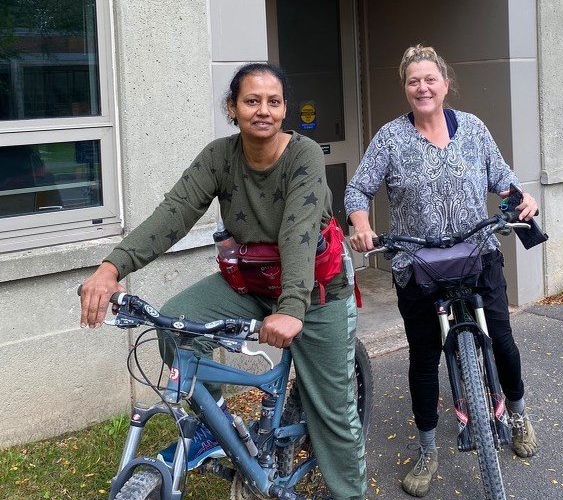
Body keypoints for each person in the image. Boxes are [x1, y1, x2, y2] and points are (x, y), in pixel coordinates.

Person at [79, 62, 366, 500]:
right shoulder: (220, 156)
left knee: (334, 416)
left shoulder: (303, 154)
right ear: (232, 108)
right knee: (174, 323)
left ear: (285, 109)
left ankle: (350, 494)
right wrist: (112, 267)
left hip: (315, 292)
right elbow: (173, 213)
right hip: (250, 286)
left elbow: (299, 232)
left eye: (273, 101)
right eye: (251, 101)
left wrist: (292, 307)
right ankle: (216, 428)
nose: (263, 111)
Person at [345, 44, 538, 497]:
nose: (422, 87)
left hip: (477, 253)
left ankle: (519, 414)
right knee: (423, 357)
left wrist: (521, 200)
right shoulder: (390, 139)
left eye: (430, 79)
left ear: (445, 85)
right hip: (418, 262)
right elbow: (357, 191)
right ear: (406, 89)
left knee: (504, 340)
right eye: (414, 81)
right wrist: (362, 227)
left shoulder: (472, 128)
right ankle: (429, 449)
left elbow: (502, 181)